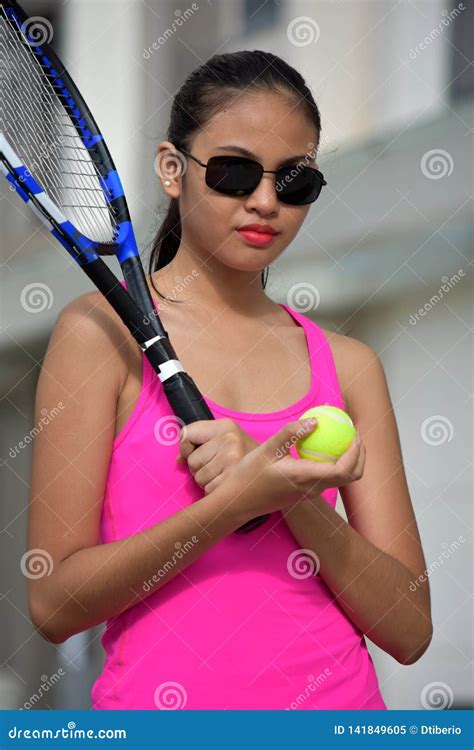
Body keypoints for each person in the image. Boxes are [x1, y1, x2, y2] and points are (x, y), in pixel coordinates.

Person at [27, 50, 432, 710]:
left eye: (294, 182)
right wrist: (230, 504)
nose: (266, 202)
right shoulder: (97, 336)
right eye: (235, 172)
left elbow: (410, 630)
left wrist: (290, 498)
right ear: (172, 169)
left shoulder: (351, 365)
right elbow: (53, 602)